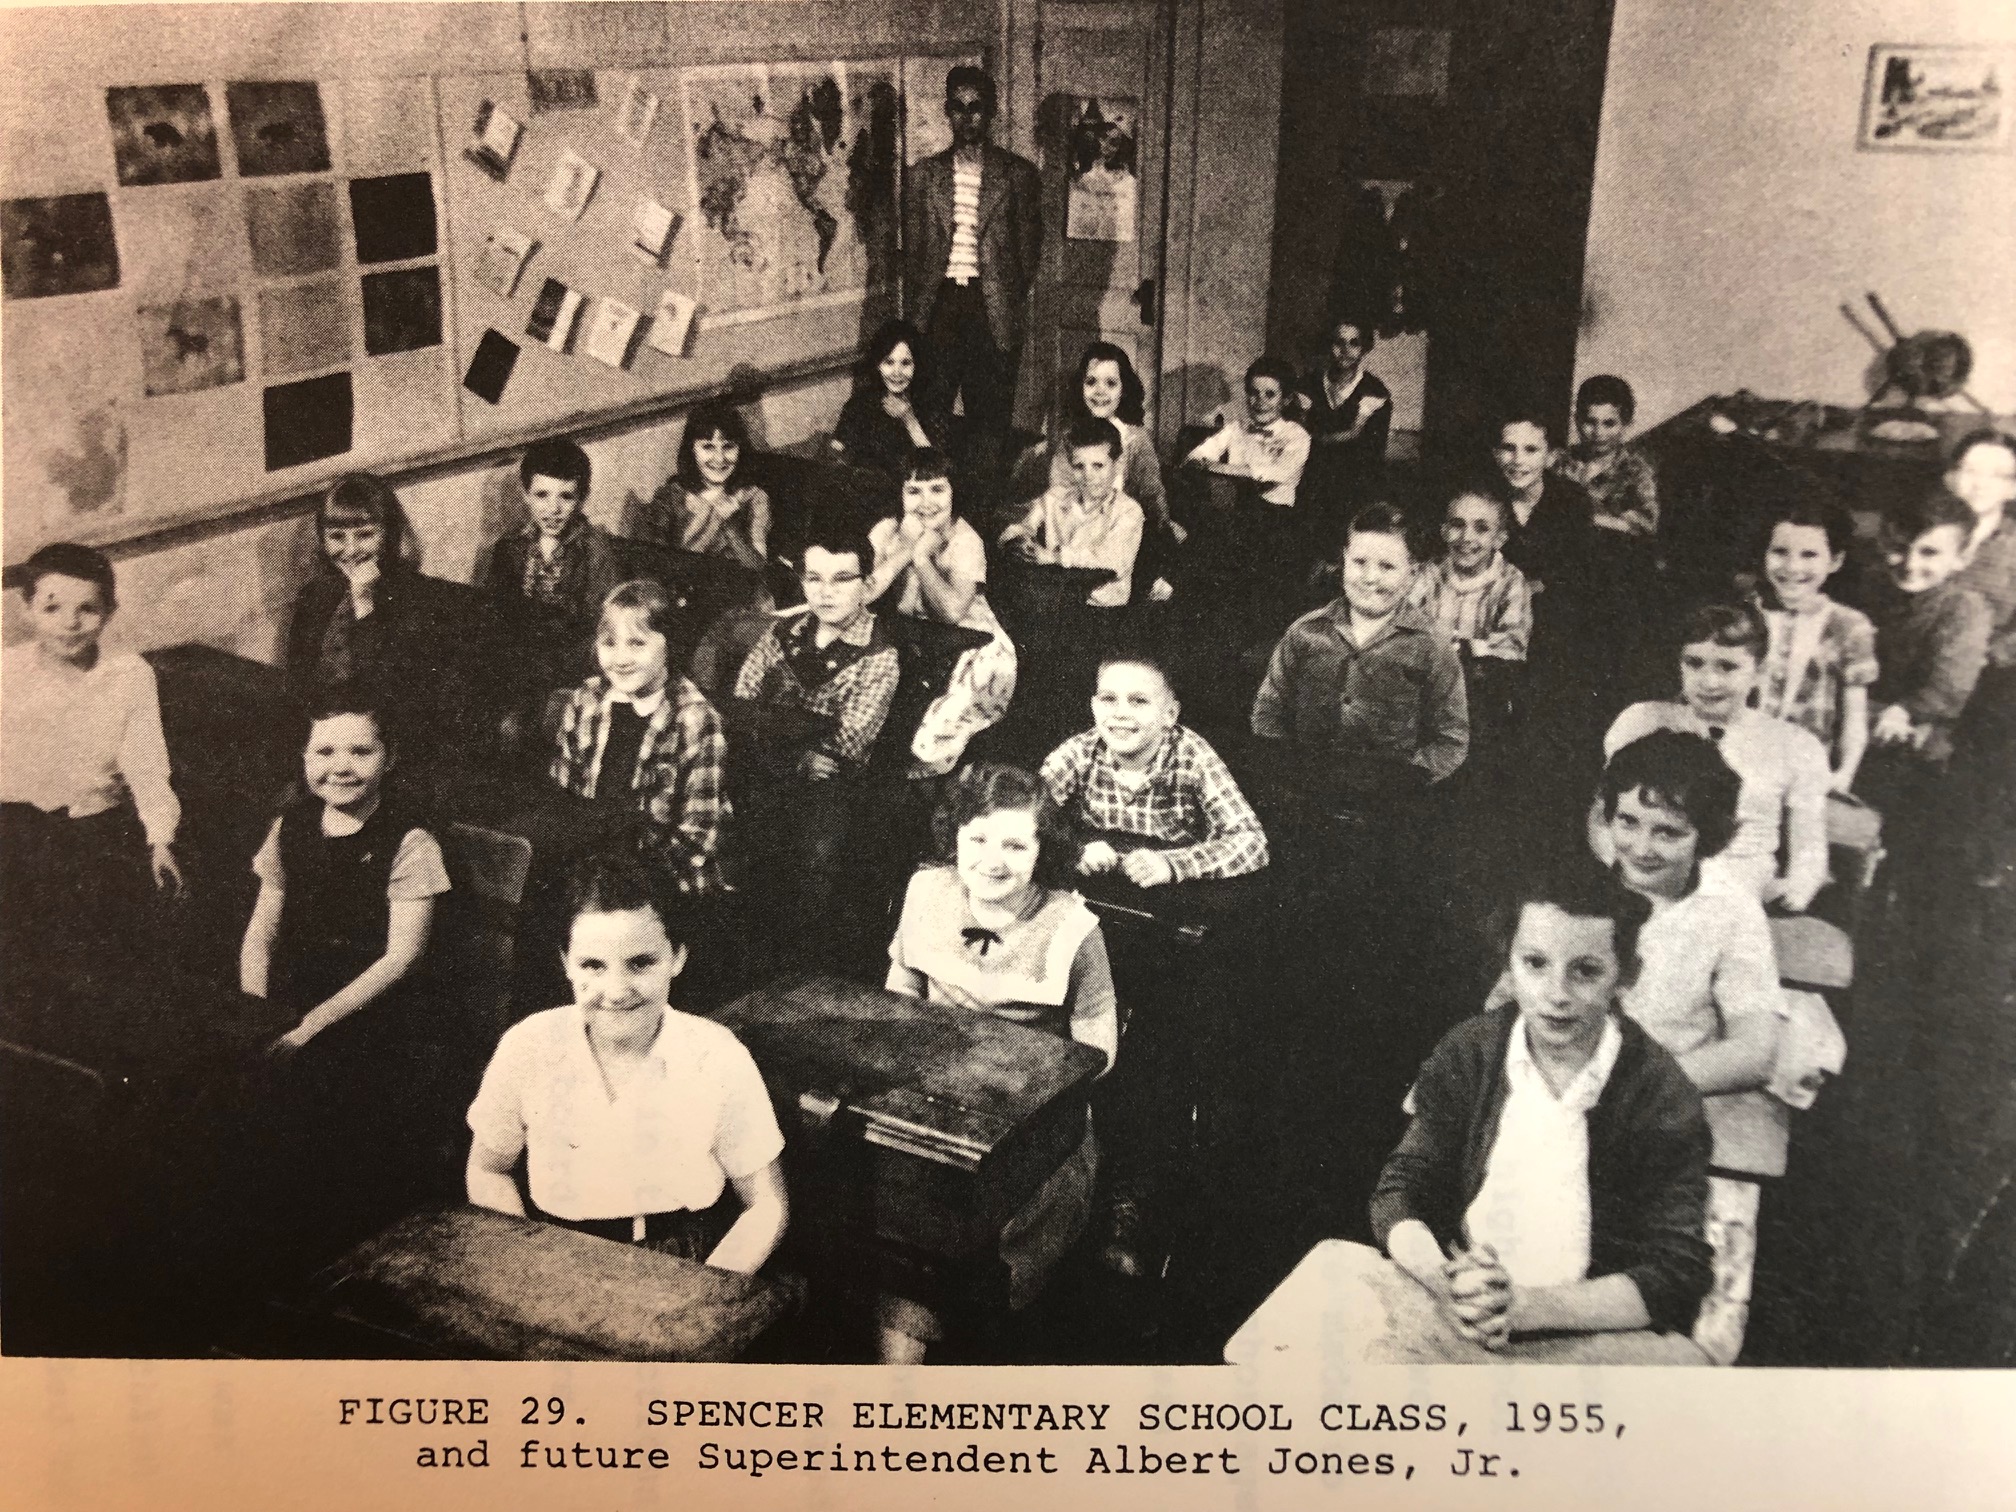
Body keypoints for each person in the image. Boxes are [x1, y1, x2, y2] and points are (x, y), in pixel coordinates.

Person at [1369, 859, 1712, 1359]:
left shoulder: (1659, 1093)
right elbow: (1401, 1191)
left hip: (1589, 1332)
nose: (1556, 995)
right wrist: (1446, 1280)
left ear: (1625, 975)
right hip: (1460, 1312)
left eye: (1586, 971)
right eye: (1535, 963)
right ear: (1508, 964)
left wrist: (1528, 1308)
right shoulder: (1472, 1053)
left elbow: (1675, 1274)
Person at [880, 763, 1118, 1360]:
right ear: (954, 838)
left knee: (982, 1246)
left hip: (1037, 1120)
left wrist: (1005, 1069)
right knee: (887, 1220)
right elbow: (897, 998)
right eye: (977, 838)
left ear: (1044, 850)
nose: (992, 859)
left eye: (1016, 843)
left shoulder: (1074, 929)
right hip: (930, 1097)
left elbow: (1101, 1055)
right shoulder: (926, 891)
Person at [465, 853, 788, 1271]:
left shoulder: (716, 1055)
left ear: (677, 958)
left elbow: (766, 1204)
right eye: (592, 966)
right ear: (565, 963)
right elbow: (488, 1170)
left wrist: (706, 1292)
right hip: (549, 1250)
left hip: (677, 1261)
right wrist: (525, 1261)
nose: (616, 991)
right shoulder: (530, 1045)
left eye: (641, 963)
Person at [1589, 730, 1794, 1364]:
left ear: (1705, 834)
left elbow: (1756, 1050)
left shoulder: (1729, 910)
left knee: (1685, 1277)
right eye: (1629, 821)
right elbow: (1509, 997)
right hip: (1574, 1089)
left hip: (1669, 1102)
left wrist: (1639, 1081)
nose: (1640, 848)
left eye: (1668, 832)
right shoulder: (1582, 889)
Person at [239, 686, 448, 1062]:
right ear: (304, 758)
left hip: (371, 1009)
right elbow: (262, 929)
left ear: (389, 758)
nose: (340, 768)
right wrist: (255, 1009)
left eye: (361, 752)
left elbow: (402, 958)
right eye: (324, 752)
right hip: (295, 994)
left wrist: (310, 1028)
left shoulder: (410, 841)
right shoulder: (290, 826)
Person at [1, 542, 182, 971]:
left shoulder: (129, 675)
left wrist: (160, 840)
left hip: (94, 834)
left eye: (88, 609)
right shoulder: (5, 671)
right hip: (11, 831)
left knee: (96, 952)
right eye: (52, 608)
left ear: (110, 612)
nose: (70, 624)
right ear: (26, 610)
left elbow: (148, 766)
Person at [734, 519, 903, 970]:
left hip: (833, 785)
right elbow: (745, 700)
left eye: (842, 580)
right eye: (814, 579)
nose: (826, 593)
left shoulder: (878, 656)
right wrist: (787, 751)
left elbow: (848, 740)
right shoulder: (782, 635)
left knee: (814, 855)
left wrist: (784, 738)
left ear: (867, 586)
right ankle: (740, 947)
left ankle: (796, 961)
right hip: (772, 764)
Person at [1597, 602, 1829, 912]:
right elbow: (1602, 817)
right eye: (1694, 663)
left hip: (1739, 894)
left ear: (1760, 672)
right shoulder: (1642, 721)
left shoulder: (1794, 744)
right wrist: (1624, 871)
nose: (1708, 682)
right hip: (1642, 881)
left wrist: (1793, 892)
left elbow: (1809, 848)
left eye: (1727, 666)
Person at [1251, 502, 1469, 799]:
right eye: (1359, 562)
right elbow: (1268, 710)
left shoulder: (1431, 645)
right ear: (1344, 559)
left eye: (1387, 566)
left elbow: (1451, 739)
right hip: (1303, 792)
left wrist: (1401, 782)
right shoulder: (1305, 632)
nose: (1370, 578)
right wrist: (1289, 771)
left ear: (1413, 574)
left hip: (1386, 803)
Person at [902, 65, 1042, 479]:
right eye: (958, 108)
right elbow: (913, 252)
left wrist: (1002, 295)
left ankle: (982, 506)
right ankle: (939, 494)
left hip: (991, 307)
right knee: (933, 409)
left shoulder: (1017, 175)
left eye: (976, 108)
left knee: (989, 416)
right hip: (939, 307)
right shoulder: (924, 176)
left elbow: (1028, 252)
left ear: (992, 111)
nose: (967, 118)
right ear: (947, 111)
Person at [550, 580, 731, 898]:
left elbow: (699, 836)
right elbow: (563, 799)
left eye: (636, 644)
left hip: (661, 874)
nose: (620, 659)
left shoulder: (695, 719)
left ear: (670, 645)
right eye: (609, 643)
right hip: (585, 864)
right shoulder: (586, 699)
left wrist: (628, 881)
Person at [283, 472, 473, 759]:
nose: (350, 550)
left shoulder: (416, 597)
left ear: (389, 535)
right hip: (324, 739)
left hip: (388, 745)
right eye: (336, 537)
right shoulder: (313, 598)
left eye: (365, 536)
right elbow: (298, 682)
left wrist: (364, 605)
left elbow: (388, 693)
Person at [1041, 651, 1269, 886]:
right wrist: (1072, 851)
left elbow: (1251, 841)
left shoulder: (1191, 756)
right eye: (1108, 699)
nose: (1120, 714)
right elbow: (1020, 814)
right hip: (1099, 886)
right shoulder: (1080, 751)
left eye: (1138, 701)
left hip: (1174, 891)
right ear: (1093, 705)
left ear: (1169, 714)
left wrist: (1172, 865)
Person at [866, 449, 1018, 776]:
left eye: (938, 489)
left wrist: (921, 559)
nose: (926, 502)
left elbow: (950, 613)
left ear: (953, 492)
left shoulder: (965, 540)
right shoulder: (887, 531)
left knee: (928, 744)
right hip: (920, 642)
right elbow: (866, 593)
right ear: (900, 495)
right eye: (913, 491)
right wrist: (904, 547)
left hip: (976, 649)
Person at [475, 437, 623, 738]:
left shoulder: (594, 549)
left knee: (523, 725)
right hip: (520, 663)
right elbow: (493, 614)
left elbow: (604, 628)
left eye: (566, 497)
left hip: (573, 666)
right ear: (526, 495)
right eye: (542, 495)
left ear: (581, 498)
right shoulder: (511, 547)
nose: (553, 509)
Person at [1749, 495, 1877, 793]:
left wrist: (1844, 774)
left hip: (1804, 773)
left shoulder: (1850, 626)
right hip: (1740, 759)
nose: (1793, 567)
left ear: (1835, 561)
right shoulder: (1743, 613)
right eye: (1780, 552)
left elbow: (1854, 716)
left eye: (1809, 555)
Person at [1034, 343, 1176, 600]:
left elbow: (1154, 504)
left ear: (1124, 390)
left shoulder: (1135, 440)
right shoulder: (1069, 437)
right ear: (1080, 387)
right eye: (1091, 382)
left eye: (1111, 384)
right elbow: (1057, 493)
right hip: (1073, 539)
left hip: (1120, 540)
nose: (1100, 392)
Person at [1946, 430, 2016, 885]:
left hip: (1992, 675)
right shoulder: (1927, 528)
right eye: (1970, 470)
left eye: (1995, 474)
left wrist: (1984, 656)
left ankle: (1976, 868)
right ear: (1952, 477)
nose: (1979, 483)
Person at [1001, 416, 1146, 609]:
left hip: (1100, 613)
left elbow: (1112, 561)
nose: (1088, 477)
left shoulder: (1129, 511)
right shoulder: (1055, 497)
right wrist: (1022, 540)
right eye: (1079, 467)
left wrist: (1053, 557)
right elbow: (1020, 526)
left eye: (1098, 466)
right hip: (1052, 601)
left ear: (1117, 465)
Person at [627, 399, 773, 570]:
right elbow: (655, 563)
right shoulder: (671, 497)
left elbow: (758, 569)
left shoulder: (754, 498)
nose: (720, 458)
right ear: (692, 450)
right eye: (708, 447)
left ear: (740, 449)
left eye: (728, 447)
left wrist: (730, 526)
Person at [1294, 314, 1392, 552]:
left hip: (1352, 488)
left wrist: (1319, 439)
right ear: (1329, 344)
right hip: (1309, 483)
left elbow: (1371, 454)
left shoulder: (1375, 392)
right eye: (1338, 342)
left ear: (1365, 347)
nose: (1345, 350)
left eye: (1354, 343)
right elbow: (1295, 436)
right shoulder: (1308, 385)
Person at [830, 319, 949, 481]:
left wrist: (909, 419)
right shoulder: (859, 404)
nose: (897, 372)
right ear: (878, 364)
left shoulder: (928, 403)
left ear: (917, 365)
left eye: (906, 363)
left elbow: (937, 470)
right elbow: (836, 450)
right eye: (889, 362)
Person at [1550, 375, 1659, 540]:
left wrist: (1588, 517)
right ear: (1577, 420)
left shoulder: (1635, 473)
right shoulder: (1557, 461)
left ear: (1626, 424)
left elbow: (1645, 527)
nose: (1598, 433)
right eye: (1589, 422)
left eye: (1609, 424)